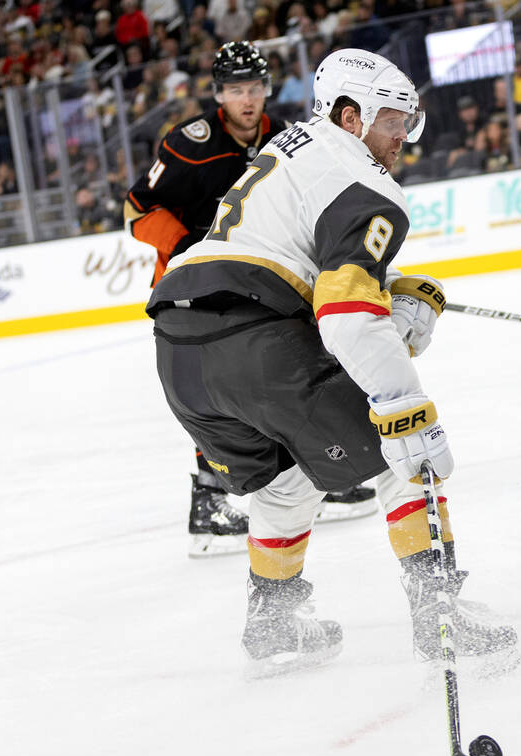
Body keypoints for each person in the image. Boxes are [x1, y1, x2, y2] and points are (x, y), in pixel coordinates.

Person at [143, 49, 518, 675]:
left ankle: (273, 619)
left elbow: (309, 268)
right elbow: (344, 313)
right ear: (351, 115)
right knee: (405, 457)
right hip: (255, 341)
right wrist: (405, 408)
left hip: (179, 356)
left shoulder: (290, 149)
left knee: (284, 487)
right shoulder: (365, 184)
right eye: (395, 118)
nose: (405, 135)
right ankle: (439, 612)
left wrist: (395, 295)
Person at [126, 41, 376, 559]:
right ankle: (210, 501)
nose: (247, 99)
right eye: (236, 89)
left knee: (294, 363)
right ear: (219, 94)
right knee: (215, 379)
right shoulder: (191, 143)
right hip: (194, 287)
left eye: (255, 87)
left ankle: (315, 468)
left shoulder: (285, 137)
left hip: (259, 280)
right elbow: (137, 208)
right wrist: (187, 249)